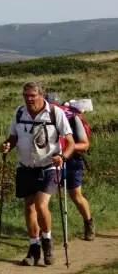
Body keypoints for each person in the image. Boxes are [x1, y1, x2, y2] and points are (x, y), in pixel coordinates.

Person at [1, 81, 75, 266]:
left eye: (32, 95)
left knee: (41, 205)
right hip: (25, 166)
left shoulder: (54, 113)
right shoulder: (19, 112)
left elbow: (70, 142)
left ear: (42, 95)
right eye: (25, 95)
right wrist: (8, 144)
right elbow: (13, 136)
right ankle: (34, 247)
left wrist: (63, 157)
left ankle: (47, 242)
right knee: (29, 207)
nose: (28, 99)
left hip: (49, 166)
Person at [45, 92, 95, 241]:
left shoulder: (72, 118)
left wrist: (66, 151)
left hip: (71, 161)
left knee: (75, 196)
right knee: (43, 197)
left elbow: (85, 145)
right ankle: (45, 235)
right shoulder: (42, 118)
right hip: (50, 162)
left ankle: (88, 222)